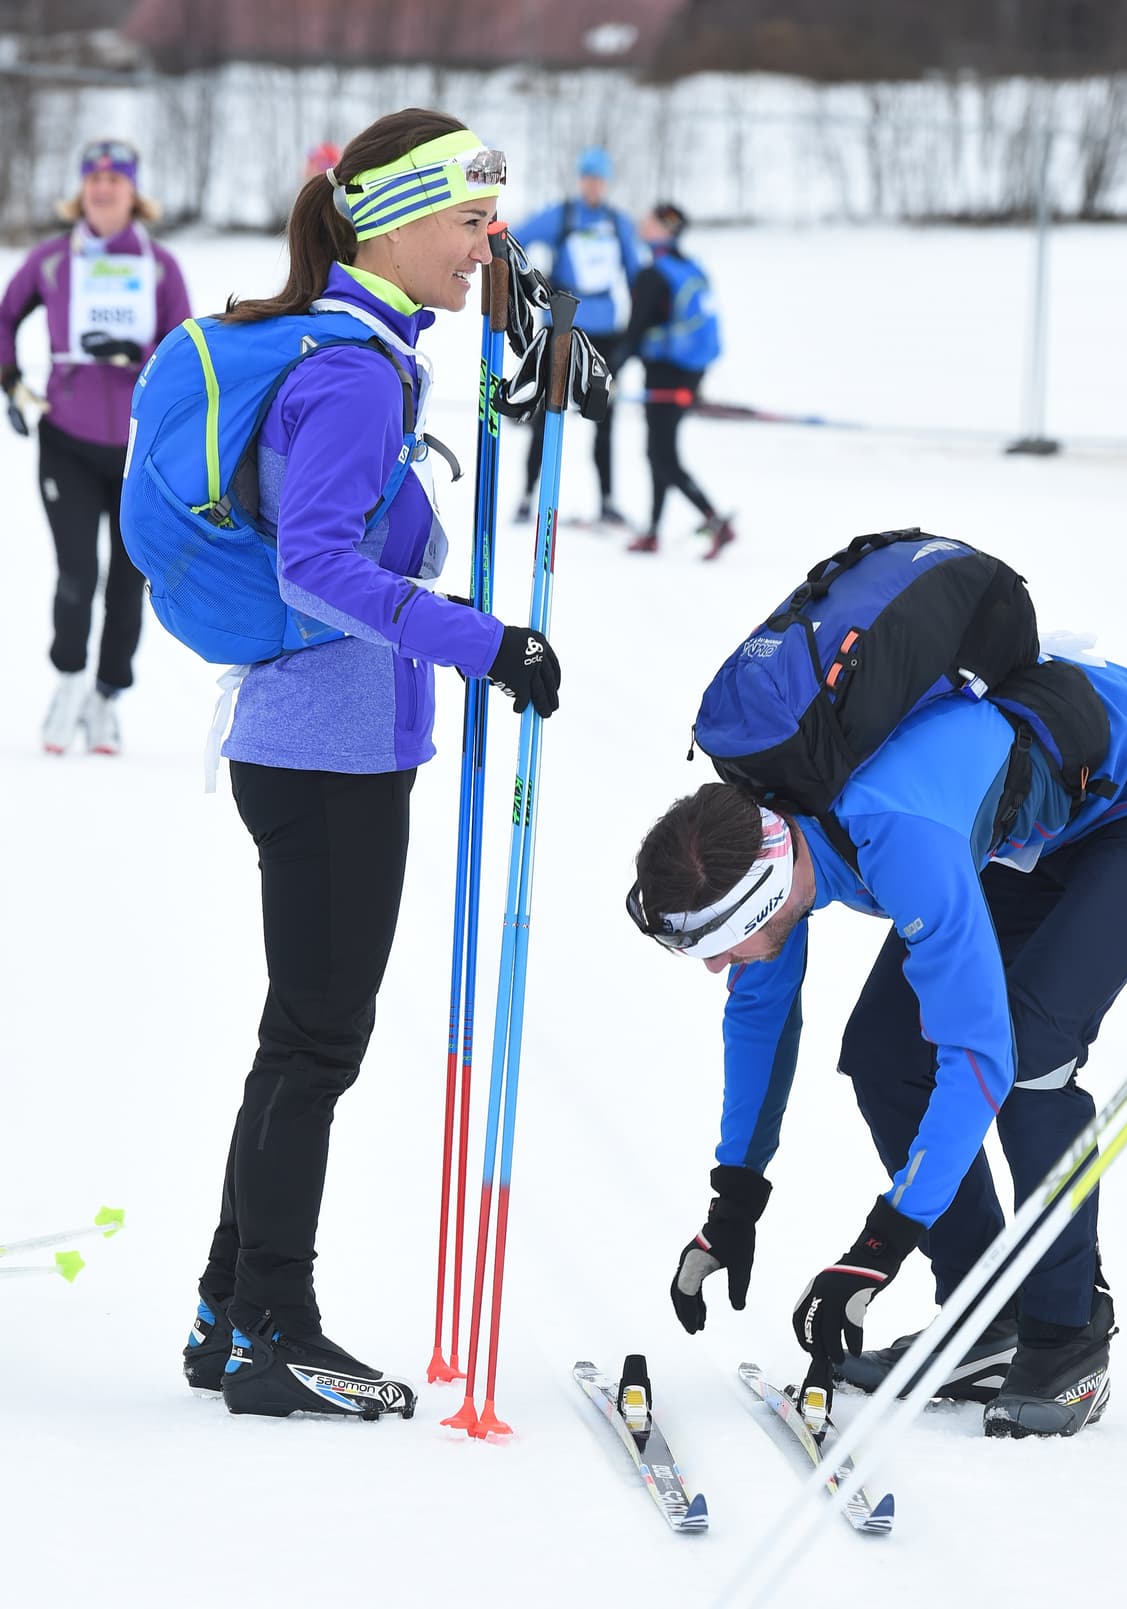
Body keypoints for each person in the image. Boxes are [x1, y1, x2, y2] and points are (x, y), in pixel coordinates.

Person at [177, 109, 562, 1420]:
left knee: (299, 1038)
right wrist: (485, 644)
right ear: (393, 221)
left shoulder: (367, 350)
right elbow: (317, 567)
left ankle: (231, 1311)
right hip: (326, 753)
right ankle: (273, 1326)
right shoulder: (350, 372)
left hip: (324, 743)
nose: (485, 247)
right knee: (318, 1046)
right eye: (468, 221)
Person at [627, 643, 1127, 1437]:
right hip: (1029, 820)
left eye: (716, 944)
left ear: (763, 900)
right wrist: (736, 1195)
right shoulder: (766, 828)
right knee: (886, 1054)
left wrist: (881, 1243)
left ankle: (1067, 1336)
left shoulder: (900, 838)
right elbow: (759, 1019)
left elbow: (978, 1057)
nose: (716, 964)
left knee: (1030, 1051)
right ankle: (987, 1318)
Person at [0, 139, 191, 755]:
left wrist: (141, 354)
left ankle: (107, 696)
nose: (104, 188)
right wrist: (12, 383)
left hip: (139, 452)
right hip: (68, 441)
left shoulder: (160, 266)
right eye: (94, 179)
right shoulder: (54, 260)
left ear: (133, 193)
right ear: (82, 191)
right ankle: (67, 683)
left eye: (116, 179)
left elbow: (186, 351)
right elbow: (5, 317)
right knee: (77, 572)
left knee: (128, 580)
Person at [512, 146, 642, 525]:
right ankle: (527, 497)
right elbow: (517, 239)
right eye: (587, 178)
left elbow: (637, 276)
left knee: (605, 418)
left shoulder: (617, 222)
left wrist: (637, 331)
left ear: (606, 183)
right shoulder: (564, 214)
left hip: (605, 333)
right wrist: (537, 282)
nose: (592, 186)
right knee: (546, 414)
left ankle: (607, 501)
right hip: (563, 328)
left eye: (598, 180)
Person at [611, 203, 733, 559]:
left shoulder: (654, 275)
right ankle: (653, 531)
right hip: (690, 373)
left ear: (665, 230)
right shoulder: (689, 267)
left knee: (662, 455)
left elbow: (634, 333)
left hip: (664, 373)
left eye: (650, 221)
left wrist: (609, 374)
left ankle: (714, 520)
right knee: (660, 452)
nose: (643, 223)